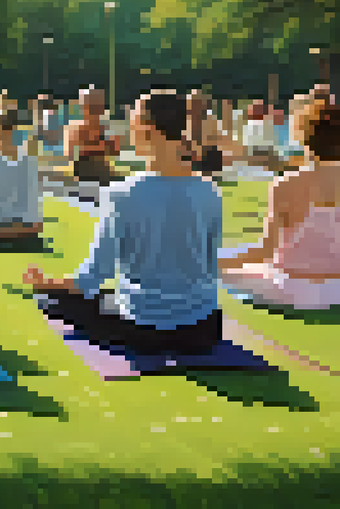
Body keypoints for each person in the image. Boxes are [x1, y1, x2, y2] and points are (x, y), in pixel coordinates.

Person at [23, 90, 225, 355]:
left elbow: (93, 276)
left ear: (148, 128)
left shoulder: (122, 193)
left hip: (141, 326)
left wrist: (46, 282)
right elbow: (210, 269)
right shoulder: (210, 191)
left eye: (133, 119)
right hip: (202, 329)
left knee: (49, 298)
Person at [220, 95, 340, 309]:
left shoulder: (286, 184)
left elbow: (265, 252)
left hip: (292, 289)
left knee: (228, 268)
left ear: (304, 138)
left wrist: (213, 265)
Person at [0, 109, 44, 240]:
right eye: (1, 126)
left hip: (13, 227)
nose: (3, 132)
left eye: (7, 126)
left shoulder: (28, 162)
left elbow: (34, 218)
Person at [65, 87, 121, 192]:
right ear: (83, 106)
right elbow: (70, 153)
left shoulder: (105, 127)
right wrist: (99, 146)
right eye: (92, 105)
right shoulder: (76, 128)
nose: (98, 109)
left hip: (104, 178)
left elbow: (115, 151)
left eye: (99, 104)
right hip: (84, 178)